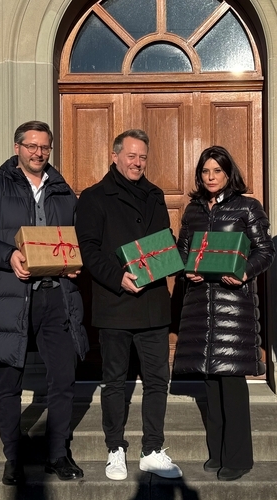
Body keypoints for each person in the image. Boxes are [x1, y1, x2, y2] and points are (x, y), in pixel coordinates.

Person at [0, 120, 88, 485]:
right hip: (11, 299)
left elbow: (77, 239)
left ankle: (57, 454)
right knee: (9, 383)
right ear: (17, 147)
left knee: (63, 379)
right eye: (31, 146)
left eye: (45, 147)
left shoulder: (63, 193)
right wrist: (7, 256)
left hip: (56, 296)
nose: (39, 153)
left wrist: (76, 263)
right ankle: (13, 456)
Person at [75, 129, 183, 481]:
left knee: (156, 380)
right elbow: (89, 249)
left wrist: (170, 259)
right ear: (116, 155)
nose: (138, 163)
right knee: (115, 381)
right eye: (132, 156)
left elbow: (163, 242)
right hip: (116, 302)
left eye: (143, 157)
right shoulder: (93, 197)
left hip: (152, 303)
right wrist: (116, 277)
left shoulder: (154, 195)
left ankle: (152, 449)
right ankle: (115, 448)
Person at [174, 146, 275, 481]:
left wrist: (245, 271)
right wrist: (187, 268)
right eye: (205, 172)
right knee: (211, 383)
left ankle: (239, 458)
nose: (211, 177)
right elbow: (183, 251)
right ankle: (217, 452)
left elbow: (265, 250)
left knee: (231, 382)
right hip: (201, 304)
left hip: (234, 305)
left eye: (217, 171)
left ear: (229, 173)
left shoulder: (248, 207)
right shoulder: (193, 210)